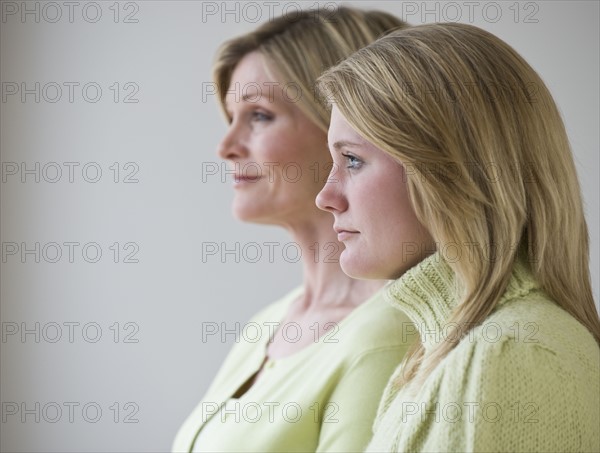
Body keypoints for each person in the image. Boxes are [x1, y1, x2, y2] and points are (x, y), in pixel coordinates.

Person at [316, 22, 600, 452]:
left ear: (449, 170)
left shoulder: (513, 354)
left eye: (352, 160)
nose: (326, 197)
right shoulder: (431, 358)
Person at [172, 7, 412, 453]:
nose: (226, 147)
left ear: (350, 121)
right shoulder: (266, 325)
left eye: (259, 115)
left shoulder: (385, 336)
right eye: (231, 116)